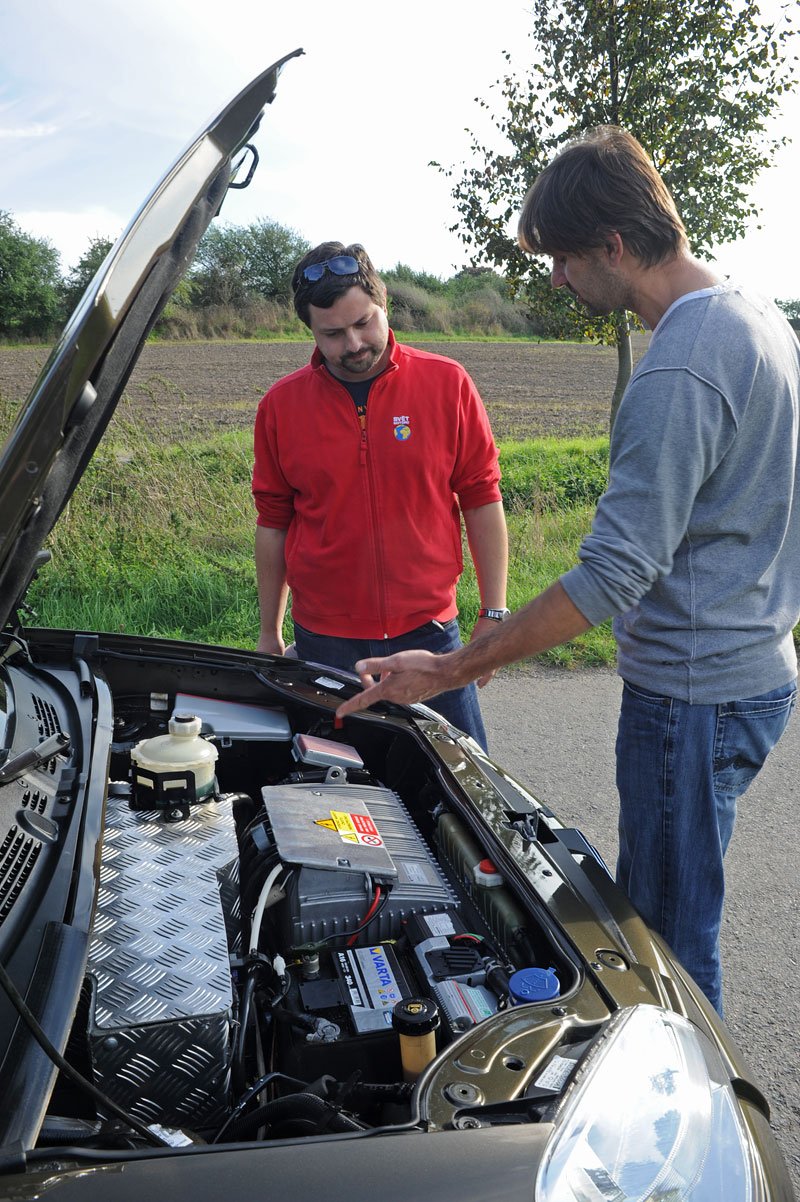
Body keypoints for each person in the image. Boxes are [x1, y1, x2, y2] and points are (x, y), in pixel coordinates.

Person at [336, 127, 800, 1015]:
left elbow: (611, 576)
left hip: (693, 694)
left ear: (615, 247)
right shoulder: (759, 317)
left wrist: (451, 667)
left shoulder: (682, 364)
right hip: (754, 672)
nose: (556, 278)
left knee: (662, 943)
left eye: (561, 258)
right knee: (669, 912)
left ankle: (693, 1127)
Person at [252, 241, 508, 751]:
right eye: (333, 333)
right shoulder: (281, 407)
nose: (353, 344)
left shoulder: (446, 384)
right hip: (324, 641)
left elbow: (481, 499)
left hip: (430, 634)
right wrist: (269, 632)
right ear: (310, 330)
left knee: (460, 788)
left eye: (364, 322)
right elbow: (273, 522)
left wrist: (494, 614)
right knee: (330, 791)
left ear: (383, 302)